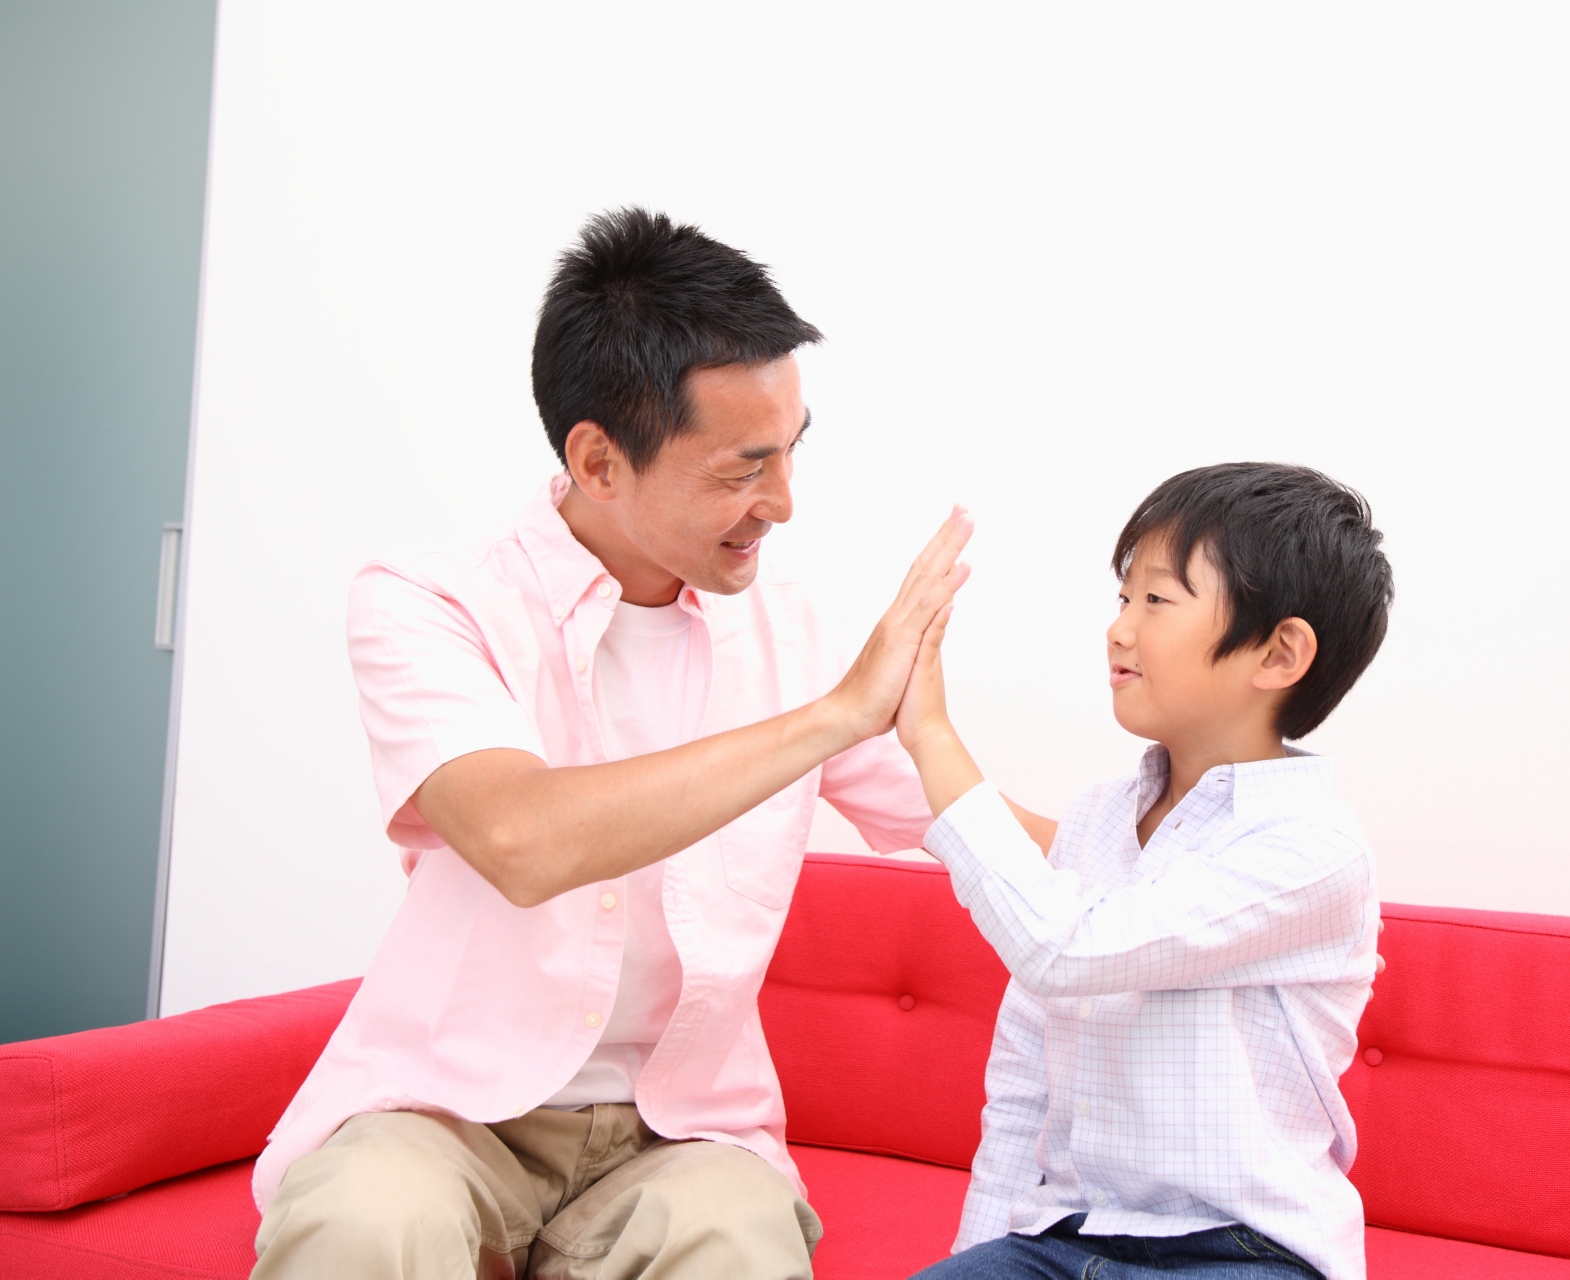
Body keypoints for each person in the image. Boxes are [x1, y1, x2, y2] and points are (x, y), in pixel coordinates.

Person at [249, 208, 1052, 1280]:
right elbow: (519, 837)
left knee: (735, 1247)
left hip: (683, 1137)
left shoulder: (795, 634)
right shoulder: (430, 601)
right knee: (365, 1225)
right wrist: (832, 716)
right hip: (445, 1114)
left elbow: (977, 826)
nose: (782, 502)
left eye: (792, 451)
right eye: (742, 468)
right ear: (599, 461)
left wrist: (1213, 833)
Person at [893, 463, 1395, 1280]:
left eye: (1156, 600)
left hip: (1240, 1251)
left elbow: (1063, 949)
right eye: (1123, 597)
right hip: (1061, 1239)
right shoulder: (1097, 817)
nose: (1119, 629)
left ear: (1279, 653)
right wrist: (975, 1257)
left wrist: (931, 737)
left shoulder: (1313, 850)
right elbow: (1024, 1075)